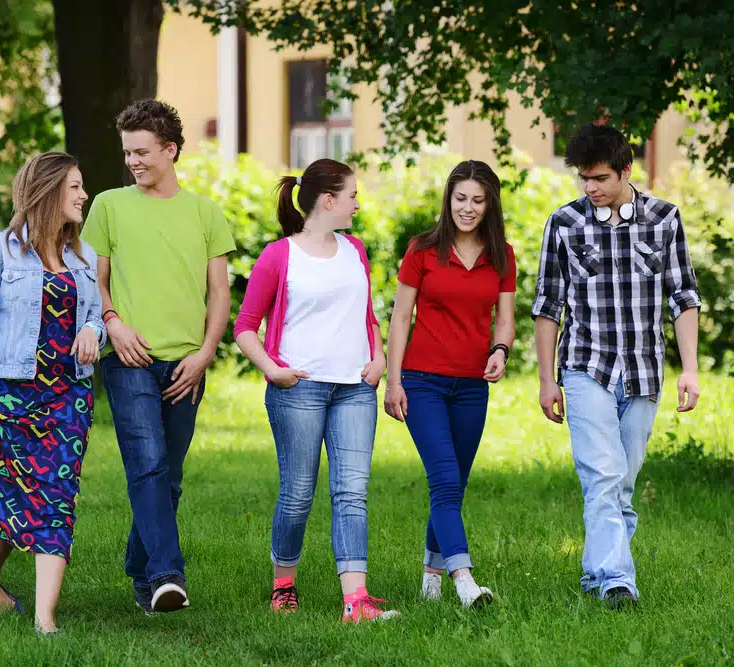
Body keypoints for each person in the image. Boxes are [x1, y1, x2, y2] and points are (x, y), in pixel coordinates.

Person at [533, 123, 702, 609]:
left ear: (627, 170)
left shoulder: (664, 219)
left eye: (600, 178)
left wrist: (689, 369)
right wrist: (547, 380)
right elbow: (548, 306)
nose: (590, 188)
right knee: (603, 475)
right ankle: (615, 580)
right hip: (586, 366)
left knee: (621, 484)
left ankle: (601, 574)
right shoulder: (564, 224)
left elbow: (684, 296)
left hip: (645, 370)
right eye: (584, 179)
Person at [81, 99, 236, 614]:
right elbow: (92, 281)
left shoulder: (205, 213)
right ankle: (169, 576)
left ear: (170, 150)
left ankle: (142, 576)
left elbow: (219, 293)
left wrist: (206, 353)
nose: (134, 161)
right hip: (128, 359)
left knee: (168, 475)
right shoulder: (107, 206)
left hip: (187, 363)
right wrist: (112, 322)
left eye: (143, 151)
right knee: (146, 466)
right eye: (128, 153)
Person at [234, 158, 398, 624]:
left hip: (354, 389)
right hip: (298, 390)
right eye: (352, 196)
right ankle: (283, 584)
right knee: (298, 493)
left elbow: (366, 313)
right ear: (328, 201)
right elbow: (245, 327)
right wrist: (273, 370)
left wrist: (379, 356)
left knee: (351, 493)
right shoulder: (278, 255)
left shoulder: (356, 250)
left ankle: (356, 600)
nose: (357, 204)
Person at [0, 151, 106, 635]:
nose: (84, 195)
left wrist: (92, 332)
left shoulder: (82, 257)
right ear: (47, 192)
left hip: (68, 396)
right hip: (13, 392)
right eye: (75, 187)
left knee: (57, 497)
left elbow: (93, 315)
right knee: (8, 494)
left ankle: (45, 619)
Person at [384, 160, 516, 608]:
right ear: (449, 198)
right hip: (422, 383)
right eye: (461, 198)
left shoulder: (502, 255)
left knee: (453, 485)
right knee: (443, 479)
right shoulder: (422, 250)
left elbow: (505, 320)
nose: (468, 207)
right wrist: (394, 381)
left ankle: (430, 581)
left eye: (478, 200)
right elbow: (401, 317)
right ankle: (464, 580)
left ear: (489, 205)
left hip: (472, 388)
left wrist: (499, 352)